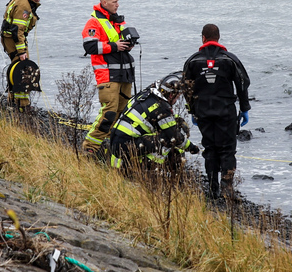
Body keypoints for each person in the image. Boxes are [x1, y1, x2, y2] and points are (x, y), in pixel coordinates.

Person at [182, 23, 251, 201]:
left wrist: (192, 110)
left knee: (210, 148)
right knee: (228, 149)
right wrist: (244, 108)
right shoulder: (230, 59)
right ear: (218, 38)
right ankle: (227, 188)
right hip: (226, 111)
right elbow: (243, 84)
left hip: (203, 111)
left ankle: (212, 189)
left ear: (203, 38)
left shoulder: (193, 60)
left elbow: (186, 88)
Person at [82, 0, 136, 157]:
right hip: (107, 74)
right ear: (104, 3)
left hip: (124, 74)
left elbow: (122, 43)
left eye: (118, 1)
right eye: (114, 2)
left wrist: (127, 45)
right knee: (109, 112)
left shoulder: (118, 21)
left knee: (122, 114)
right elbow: (89, 46)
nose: (117, 5)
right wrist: (115, 46)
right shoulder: (94, 22)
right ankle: (89, 147)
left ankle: (108, 146)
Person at [107, 72, 198, 170]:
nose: (177, 100)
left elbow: (154, 116)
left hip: (117, 143)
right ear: (171, 95)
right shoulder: (162, 107)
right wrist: (193, 148)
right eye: (177, 96)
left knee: (165, 133)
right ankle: (151, 170)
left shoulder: (147, 94)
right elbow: (175, 137)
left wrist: (176, 119)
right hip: (126, 148)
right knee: (168, 140)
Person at [0, 0, 45, 110]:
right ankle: (23, 104)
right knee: (23, 69)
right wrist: (21, 52)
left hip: (10, 36)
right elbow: (17, 30)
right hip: (12, 39)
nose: (38, 0)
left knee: (16, 68)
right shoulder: (24, 4)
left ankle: (12, 99)